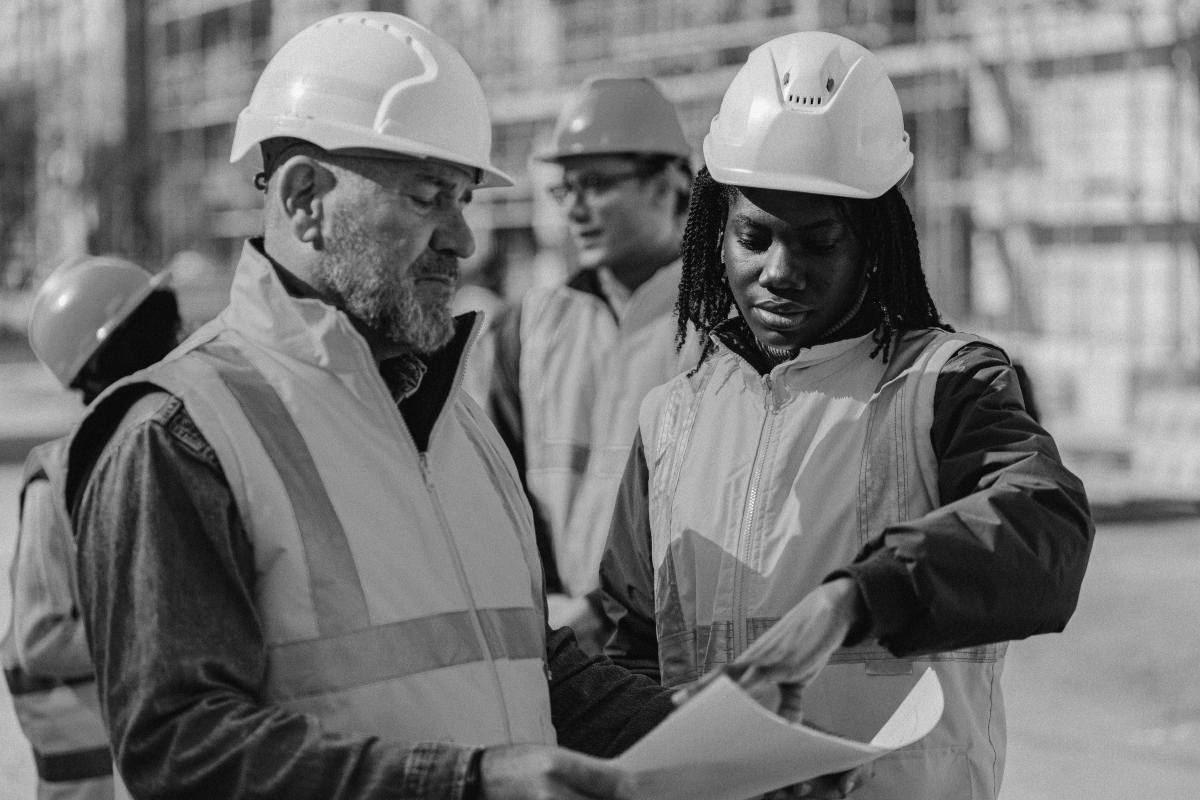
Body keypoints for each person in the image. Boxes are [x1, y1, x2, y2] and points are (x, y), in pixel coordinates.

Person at [62, 14, 672, 800]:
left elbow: (525, 662)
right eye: (428, 199)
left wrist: (719, 739)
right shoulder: (179, 435)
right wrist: (467, 784)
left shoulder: (455, 419)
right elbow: (184, 750)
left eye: (463, 199)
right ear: (307, 199)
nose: (464, 239)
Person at [599, 31, 1094, 800]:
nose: (779, 273)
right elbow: (629, 643)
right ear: (713, 236)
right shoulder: (671, 417)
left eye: (817, 241)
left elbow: (1044, 530)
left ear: (870, 243)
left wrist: (858, 596)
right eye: (753, 238)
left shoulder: (947, 382)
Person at [486, 77, 698, 652]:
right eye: (566, 189)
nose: (575, 207)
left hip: (676, 647)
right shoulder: (528, 329)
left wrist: (606, 613)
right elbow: (497, 491)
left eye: (597, 185)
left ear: (667, 184)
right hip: (559, 641)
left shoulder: (723, 325)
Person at [2, 255, 181, 800]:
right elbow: (41, 639)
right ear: (118, 352)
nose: (183, 340)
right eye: (164, 329)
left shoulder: (169, 451)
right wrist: (166, 632)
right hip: (90, 766)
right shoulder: (57, 478)